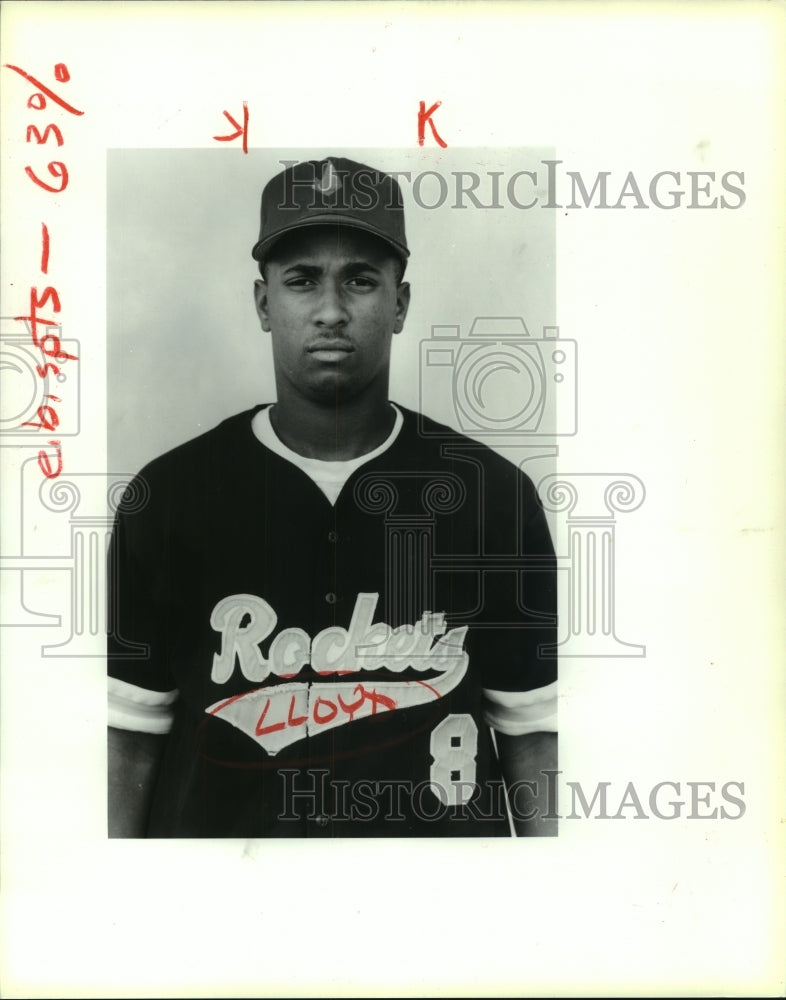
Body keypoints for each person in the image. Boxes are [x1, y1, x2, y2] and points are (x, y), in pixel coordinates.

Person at [107, 156, 558, 838]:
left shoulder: (492, 496)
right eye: (301, 280)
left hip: (441, 902)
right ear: (264, 304)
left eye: (360, 280)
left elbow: (534, 738)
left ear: (399, 304)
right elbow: (129, 739)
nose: (330, 311)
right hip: (220, 903)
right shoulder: (168, 495)